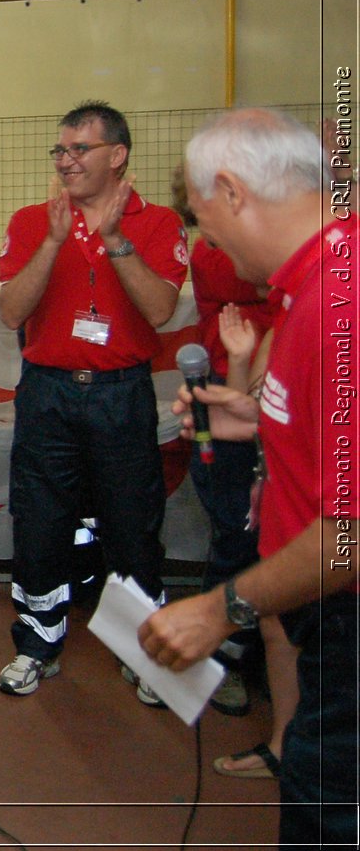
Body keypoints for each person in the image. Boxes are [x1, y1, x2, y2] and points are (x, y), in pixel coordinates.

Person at [140, 107, 356, 849]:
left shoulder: (338, 302)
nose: (211, 245)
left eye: (203, 220)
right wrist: (259, 418)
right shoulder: (315, 284)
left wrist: (218, 610)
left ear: (232, 192)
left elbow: (347, 536)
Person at [0, 101, 187, 701]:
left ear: (118, 155)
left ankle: (145, 655)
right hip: (47, 394)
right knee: (40, 523)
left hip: (120, 395)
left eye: (80, 149)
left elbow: (159, 311)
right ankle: (37, 644)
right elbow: (10, 312)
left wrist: (116, 242)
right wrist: (53, 243)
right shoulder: (33, 221)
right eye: (61, 150)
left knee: (132, 525)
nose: (67, 161)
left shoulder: (156, 224)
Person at [170, 168, 278, 720]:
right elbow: (259, 288)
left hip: (261, 400)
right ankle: (230, 655)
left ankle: (253, 647)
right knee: (238, 535)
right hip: (231, 394)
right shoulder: (221, 255)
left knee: (270, 540)